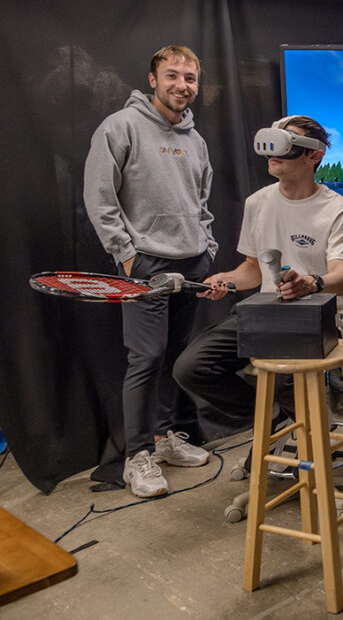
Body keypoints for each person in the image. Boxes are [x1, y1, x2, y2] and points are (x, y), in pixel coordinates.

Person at [84, 45, 217, 498]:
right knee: (146, 358)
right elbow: (101, 200)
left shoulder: (195, 140)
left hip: (191, 262)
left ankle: (164, 441)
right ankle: (136, 457)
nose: (183, 85)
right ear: (153, 79)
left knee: (174, 357)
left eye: (191, 78)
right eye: (173, 75)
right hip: (145, 265)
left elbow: (201, 203)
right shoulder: (120, 127)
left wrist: (208, 248)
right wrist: (127, 259)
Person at [172, 115, 343, 429]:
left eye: (286, 146)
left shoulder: (337, 209)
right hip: (267, 312)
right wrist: (226, 279)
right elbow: (253, 270)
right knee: (191, 368)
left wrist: (311, 283)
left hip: (319, 315)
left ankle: (309, 438)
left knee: (288, 376)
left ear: (314, 155)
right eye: (271, 144)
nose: (273, 154)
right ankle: (274, 420)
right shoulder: (257, 203)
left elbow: (340, 278)